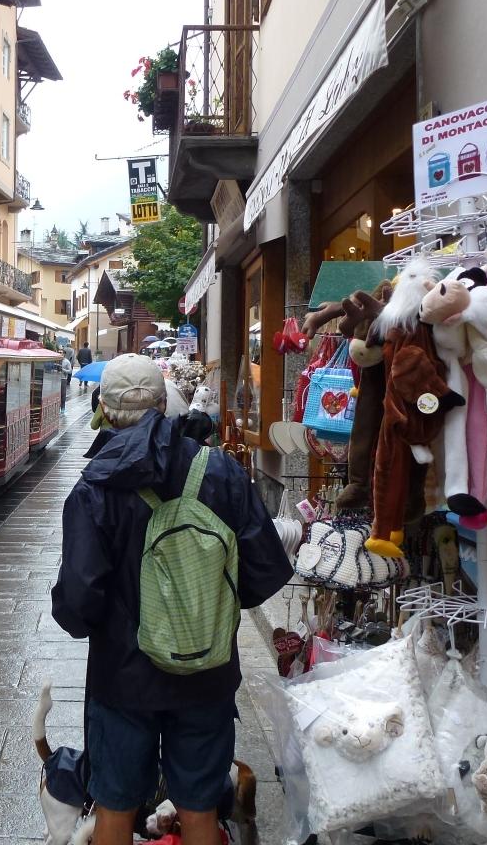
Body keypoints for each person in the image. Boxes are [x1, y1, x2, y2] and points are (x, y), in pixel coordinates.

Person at [52, 354, 291, 845]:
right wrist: (207, 606)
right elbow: (264, 571)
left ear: (104, 410)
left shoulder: (95, 486)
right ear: (165, 404)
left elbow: (78, 602)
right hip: (206, 673)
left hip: (122, 680)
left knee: (115, 808)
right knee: (199, 809)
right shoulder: (221, 470)